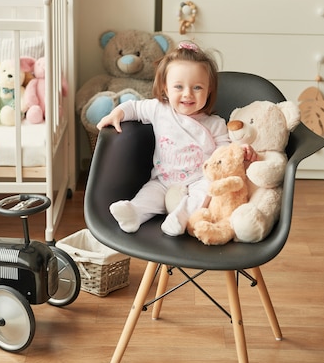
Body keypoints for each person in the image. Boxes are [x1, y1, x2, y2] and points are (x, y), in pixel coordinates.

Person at [97, 41, 255, 236]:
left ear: (209, 90)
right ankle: (134, 213)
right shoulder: (158, 109)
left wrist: (240, 151)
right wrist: (117, 113)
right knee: (149, 195)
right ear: (165, 87)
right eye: (178, 86)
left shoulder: (215, 123)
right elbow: (134, 107)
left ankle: (180, 218)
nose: (187, 94)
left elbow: (223, 153)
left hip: (197, 180)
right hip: (163, 179)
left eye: (197, 87)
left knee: (205, 191)